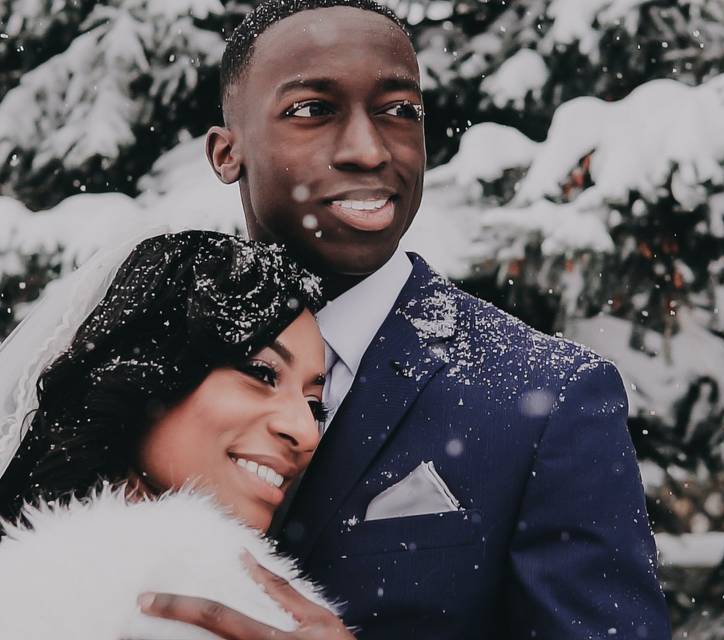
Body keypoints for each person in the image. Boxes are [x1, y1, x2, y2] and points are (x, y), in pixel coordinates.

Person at [146, 1, 672, 638]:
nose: (370, 150)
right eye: (314, 109)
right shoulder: (146, 355)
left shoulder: (548, 398)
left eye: (399, 111)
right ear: (227, 153)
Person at [0, 230, 354, 639]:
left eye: (315, 406)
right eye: (260, 373)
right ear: (152, 372)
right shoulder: (163, 598)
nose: (306, 432)